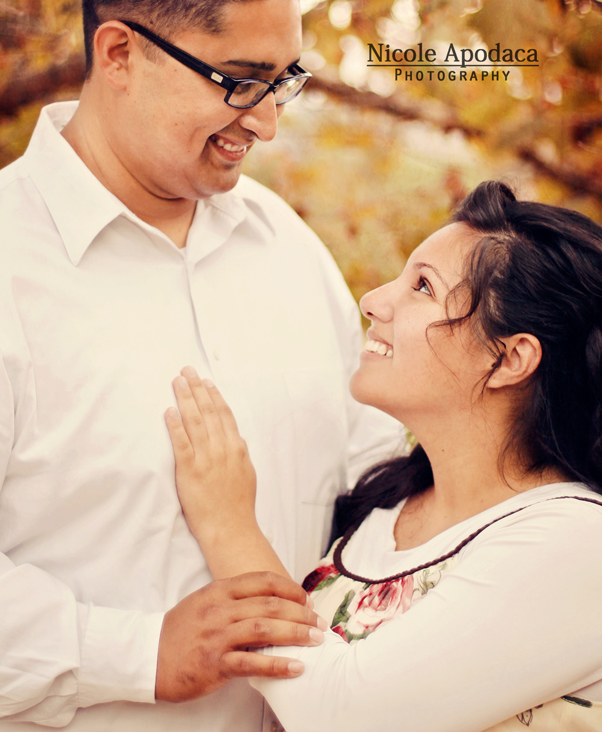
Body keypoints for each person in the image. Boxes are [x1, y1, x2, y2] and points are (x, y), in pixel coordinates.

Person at [0, 0, 402, 731]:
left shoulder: (288, 247)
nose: (267, 123)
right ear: (119, 53)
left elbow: (371, 480)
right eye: (239, 82)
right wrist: (137, 653)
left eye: (284, 82)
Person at [166, 180, 602, 732]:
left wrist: (228, 524)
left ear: (509, 358)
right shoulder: (384, 507)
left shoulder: (576, 540)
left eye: (422, 286)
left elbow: (344, 714)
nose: (372, 300)